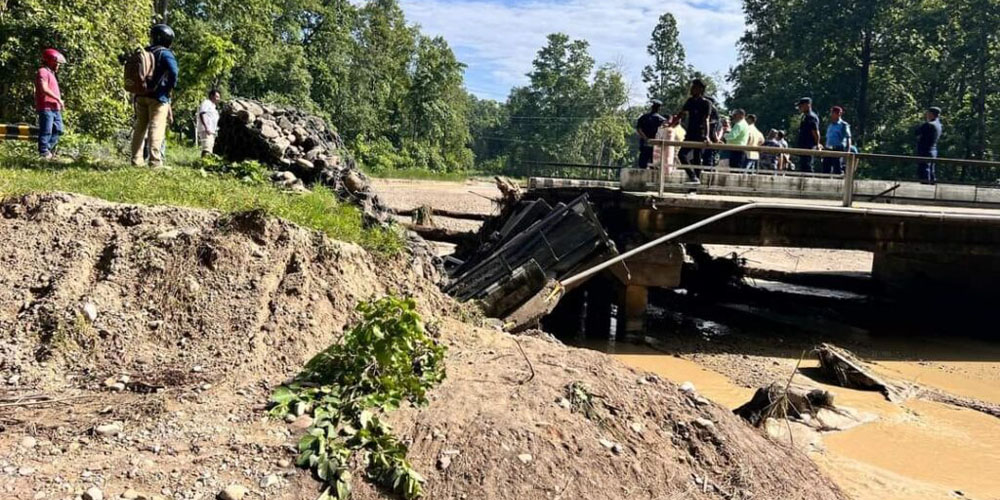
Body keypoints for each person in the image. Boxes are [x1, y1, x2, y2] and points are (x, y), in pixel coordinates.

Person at [130, 24, 178, 168]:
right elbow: (174, 73)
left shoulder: (144, 51)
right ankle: (155, 161)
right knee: (156, 127)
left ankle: (136, 160)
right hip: (158, 97)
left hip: (140, 94)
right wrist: (168, 87)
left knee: (140, 127)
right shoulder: (165, 53)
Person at [672, 79, 713, 184]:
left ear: (700, 89)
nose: (691, 89)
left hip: (700, 133)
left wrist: (707, 136)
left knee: (697, 158)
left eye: (694, 87)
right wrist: (671, 125)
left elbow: (706, 119)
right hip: (690, 133)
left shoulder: (706, 103)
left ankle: (695, 186)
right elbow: (681, 114)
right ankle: (693, 176)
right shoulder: (690, 101)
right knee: (682, 154)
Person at [35, 48, 66, 160]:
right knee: (46, 130)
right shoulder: (42, 71)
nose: (58, 66)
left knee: (59, 129)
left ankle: (46, 151)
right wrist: (58, 98)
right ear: (50, 61)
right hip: (46, 107)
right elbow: (44, 88)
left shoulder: (51, 73)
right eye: (57, 63)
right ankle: (44, 152)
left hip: (55, 108)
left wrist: (58, 102)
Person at [636, 99, 667, 169]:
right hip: (656, 145)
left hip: (645, 143)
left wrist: (646, 138)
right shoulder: (662, 120)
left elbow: (639, 129)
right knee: (655, 165)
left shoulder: (643, 117)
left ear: (652, 107)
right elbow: (663, 132)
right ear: (659, 109)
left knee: (642, 164)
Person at [916, 106, 942, 184]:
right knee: (931, 171)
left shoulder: (929, 125)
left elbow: (916, 132)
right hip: (933, 151)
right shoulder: (939, 125)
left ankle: (925, 190)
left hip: (925, 151)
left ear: (931, 114)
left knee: (924, 171)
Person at [795, 97, 822, 172]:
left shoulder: (811, 117)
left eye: (802, 105)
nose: (800, 107)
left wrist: (817, 144)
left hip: (808, 146)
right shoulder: (805, 116)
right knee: (803, 166)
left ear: (808, 105)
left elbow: (815, 132)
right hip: (803, 146)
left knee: (807, 166)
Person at [823, 106, 852, 175]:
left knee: (837, 169)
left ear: (839, 114)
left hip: (838, 149)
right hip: (828, 149)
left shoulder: (843, 125)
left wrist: (848, 151)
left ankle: (839, 184)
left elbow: (848, 138)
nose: (831, 114)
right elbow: (828, 138)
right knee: (826, 169)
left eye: (833, 113)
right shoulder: (830, 125)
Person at [197, 89, 222, 157]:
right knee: (207, 147)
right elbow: (202, 113)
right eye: (216, 96)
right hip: (206, 129)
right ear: (211, 96)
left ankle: (205, 163)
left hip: (212, 130)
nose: (218, 99)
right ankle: (204, 163)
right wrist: (206, 127)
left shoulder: (213, 106)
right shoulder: (207, 102)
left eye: (219, 97)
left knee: (210, 148)